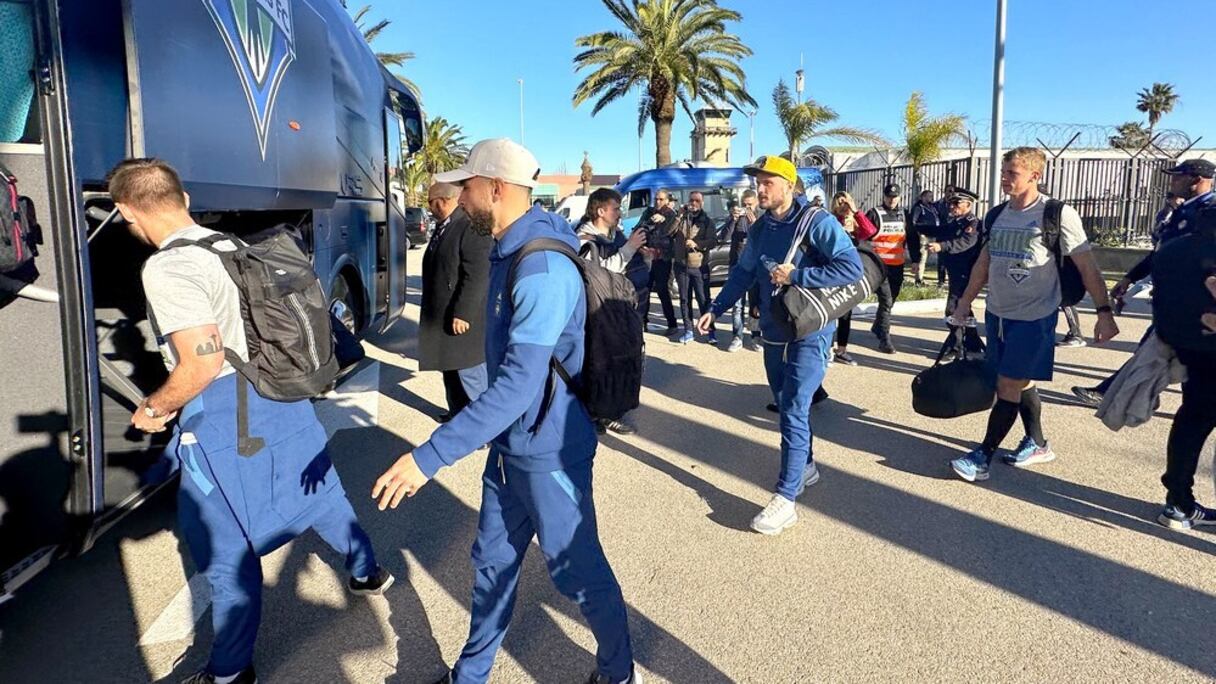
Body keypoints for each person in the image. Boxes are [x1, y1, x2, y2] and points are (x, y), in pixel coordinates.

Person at [111, 158, 392, 684]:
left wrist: (154, 407)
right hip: (280, 393)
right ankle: (367, 572)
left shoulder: (167, 267)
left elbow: (201, 361)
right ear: (185, 199)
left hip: (224, 413)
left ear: (125, 209)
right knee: (322, 492)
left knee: (222, 550)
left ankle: (231, 672)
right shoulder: (229, 246)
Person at [372, 139, 639, 684]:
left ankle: (618, 672)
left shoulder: (540, 267)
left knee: (577, 573)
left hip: (549, 454)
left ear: (496, 188)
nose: (459, 195)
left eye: (467, 186)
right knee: (491, 565)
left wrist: (429, 458)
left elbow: (520, 386)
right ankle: (470, 676)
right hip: (508, 450)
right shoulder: (505, 248)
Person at [695, 155, 862, 535]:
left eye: (768, 182)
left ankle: (785, 499)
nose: (760, 188)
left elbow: (850, 267)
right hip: (773, 328)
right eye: (758, 182)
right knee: (786, 401)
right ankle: (806, 466)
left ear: (789, 185)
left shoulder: (816, 221)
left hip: (809, 329)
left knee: (793, 405)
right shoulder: (760, 228)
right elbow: (743, 272)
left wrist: (798, 274)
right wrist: (716, 308)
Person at [948, 147, 1119, 483]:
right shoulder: (997, 215)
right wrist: (965, 301)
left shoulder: (1056, 214)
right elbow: (985, 260)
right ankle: (1038, 443)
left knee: (1007, 384)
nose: (1005, 179)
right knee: (1019, 380)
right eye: (1003, 172)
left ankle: (983, 457)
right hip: (998, 314)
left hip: (1035, 316)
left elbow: (1087, 266)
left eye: (1012, 173)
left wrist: (1104, 312)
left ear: (1035, 176)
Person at [1072, 163, 1214, 406]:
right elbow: (1160, 253)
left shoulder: (1209, 212)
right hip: (1172, 300)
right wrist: (1130, 278)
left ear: (1196, 180)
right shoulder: (1181, 211)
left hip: (1193, 303)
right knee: (1158, 350)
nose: (1172, 182)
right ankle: (1146, 395)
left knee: (1158, 349)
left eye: (1177, 177)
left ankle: (1116, 392)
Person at [576, 187, 646, 435]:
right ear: (600, 210)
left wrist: (638, 252)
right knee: (599, 362)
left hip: (620, 309)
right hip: (599, 314)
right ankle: (599, 413)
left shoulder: (614, 236)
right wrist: (629, 249)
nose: (619, 214)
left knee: (622, 360)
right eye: (615, 209)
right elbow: (597, 275)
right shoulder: (585, 240)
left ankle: (612, 409)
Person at [420, 181, 492, 421]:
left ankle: (482, 426)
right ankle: (458, 414)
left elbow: (477, 273)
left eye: (431, 202)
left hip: (461, 317)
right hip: (443, 313)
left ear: (443, 200)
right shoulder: (446, 226)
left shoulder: (469, 226)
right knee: (450, 369)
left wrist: (464, 312)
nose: (429, 208)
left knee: (469, 371)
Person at [925, 188, 985, 358]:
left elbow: (965, 243)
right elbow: (940, 231)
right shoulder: (956, 221)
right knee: (965, 308)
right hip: (955, 271)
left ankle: (956, 346)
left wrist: (941, 246)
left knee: (952, 309)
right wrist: (917, 226)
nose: (952, 206)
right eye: (951, 203)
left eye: (956, 203)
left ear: (968, 204)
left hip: (966, 272)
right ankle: (973, 343)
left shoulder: (972, 224)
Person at [865, 183, 919, 354]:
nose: (892, 199)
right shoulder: (874, 213)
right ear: (884, 196)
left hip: (897, 266)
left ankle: (878, 326)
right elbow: (864, 237)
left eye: (895, 197)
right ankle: (885, 339)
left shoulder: (904, 214)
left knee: (890, 300)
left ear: (900, 197)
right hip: (879, 267)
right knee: (886, 300)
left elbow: (912, 238)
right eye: (889, 196)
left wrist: (916, 260)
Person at [827, 190, 877, 365]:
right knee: (830, 314)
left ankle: (842, 350)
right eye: (839, 203)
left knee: (846, 315)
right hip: (833, 272)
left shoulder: (856, 222)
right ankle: (826, 350)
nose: (843, 206)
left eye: (846, 202)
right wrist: (841, 224)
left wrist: (856, 211)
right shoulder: (831, 220)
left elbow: (870, 231)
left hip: (849, 275)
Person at [671, 191, 718, 344]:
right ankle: (688, 330)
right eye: (691, 200)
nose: (694, 203)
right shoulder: (682, 218)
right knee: (685, 299)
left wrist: (697, 244)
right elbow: (668, 232)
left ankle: (710, 330)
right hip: (681, 265)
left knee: (703, 299)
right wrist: (678, 215)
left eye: (697, 200)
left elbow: (712, 241)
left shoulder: (707, 221)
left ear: (702, 202)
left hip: (699, 265)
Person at [720, 189, 758, 351]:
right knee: (737, 305)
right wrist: (732, 220)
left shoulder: (761, 218)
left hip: (756, 267)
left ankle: (756, 337)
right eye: (744, 205)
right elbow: (724, 237)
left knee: (756, 303)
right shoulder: (735, 218)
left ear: (756, 204)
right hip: (737, 265)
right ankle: (737, 336)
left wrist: (754, 222)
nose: (747, 208)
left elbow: (763, 238)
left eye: (750, 205)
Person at [639, 189, 678, 335]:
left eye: (661, 199)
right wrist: (650, 221)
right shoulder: (649, 212)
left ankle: (672, 323)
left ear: (667, 201)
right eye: (656, 199)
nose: (657, 202)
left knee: (662, 291)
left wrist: (663, 220)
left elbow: (670, 233)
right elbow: (639, 228)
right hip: (648, 258)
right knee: (645, 290)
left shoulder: (672, 215)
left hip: (663, 259)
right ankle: (643, 322)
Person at [910, 189, 939, 286]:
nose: (930, 198)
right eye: (927, 196)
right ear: (922, 197)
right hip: (924, 236)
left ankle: (920, 277)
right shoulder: (919, 207)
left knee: (926, 257)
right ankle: (918, 279)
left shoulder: (932, 207)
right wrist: (919, 233)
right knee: (922, 257)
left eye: (931, 196)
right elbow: (913, 222)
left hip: (932, 235)